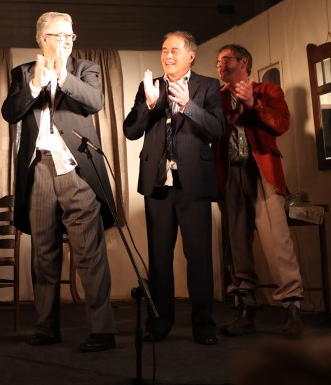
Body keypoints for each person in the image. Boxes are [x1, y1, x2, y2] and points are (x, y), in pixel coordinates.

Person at [1, 12, 117, 352]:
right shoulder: (23, 73)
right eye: (60, 35)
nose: (67, 40)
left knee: (89, 254)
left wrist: (62, 75)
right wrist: (35, 85)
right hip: (39, 169)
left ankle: (102, 330)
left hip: (76, 171)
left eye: (71, 35)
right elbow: (10, 112)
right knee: (43, 254)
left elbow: (95, 102)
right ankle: (46, 327)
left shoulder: (85, 69)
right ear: (42, 38)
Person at [123, 31, 225, 345]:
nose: (167, 55)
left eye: (174, 50)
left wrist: (189, 105)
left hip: (193, 183)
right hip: (158, 184)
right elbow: (131, 130)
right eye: (164, 49)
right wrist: (150, 104)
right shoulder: (150, 86)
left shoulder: (208, 86)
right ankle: (159, 323)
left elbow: (217, 128)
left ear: (191, 55)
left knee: (199, 257)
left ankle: (203, 325)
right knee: (158, 259)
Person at [213, 44, 305, 339]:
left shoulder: (268, 91)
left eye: (226, 59)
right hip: (231, 174)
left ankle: (292, 309)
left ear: (243, 62)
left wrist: (254, 105)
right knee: (238, 243)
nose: (220, 64)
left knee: (278, 242)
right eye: (217, 61)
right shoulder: (216, 97)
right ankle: (245, 310)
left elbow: (281, 125)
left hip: (262, 171)